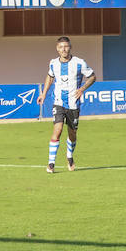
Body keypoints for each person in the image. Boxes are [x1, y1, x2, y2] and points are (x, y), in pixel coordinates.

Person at [39, 36, 96, 172]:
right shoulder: (53, 63)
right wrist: (44, 93)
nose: (63, 49)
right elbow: (50, 76)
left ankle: (69, 156)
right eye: (61, 47)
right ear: (57, 49)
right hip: (58, 102)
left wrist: (82, 89)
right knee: (57, 130)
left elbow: (93, 76)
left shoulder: (79, 63)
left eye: (66, 46)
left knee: (72, 134)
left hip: (73, 104)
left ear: (70, 47)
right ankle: (51, 163)